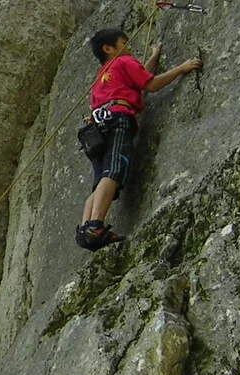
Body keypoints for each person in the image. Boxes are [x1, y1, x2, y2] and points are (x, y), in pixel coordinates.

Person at [77, 28, 202, 250]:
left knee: (99, 179)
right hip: (117, 118)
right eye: (124, 42)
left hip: (97, 127)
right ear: (109, 48)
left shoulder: (101, 75)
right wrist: (182, 68)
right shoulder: (124, 61)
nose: (130, 47)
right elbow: (150, 84)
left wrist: (154, 56)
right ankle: (96, 225)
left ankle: (85, 229)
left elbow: (140, 74)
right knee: (113, 170)